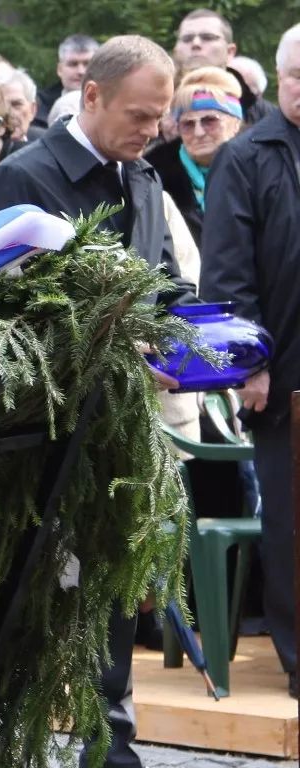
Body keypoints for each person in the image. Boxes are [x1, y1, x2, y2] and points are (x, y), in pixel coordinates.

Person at [0, 35, 204, 768]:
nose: (151, 131)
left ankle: (111, 751)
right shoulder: (23, 176)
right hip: (35, 429)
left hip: (115, 422)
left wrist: (187, 338)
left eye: (160, 118)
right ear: (93, 96)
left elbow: (161, 283)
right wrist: (104, 337)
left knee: (109, 581)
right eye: (140, 115)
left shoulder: (138, 176)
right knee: (19, 596)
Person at [200, 23, 300, 698]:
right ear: (276, 76)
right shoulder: (248, 156)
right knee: (293, 522)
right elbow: (228, 274)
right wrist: (250, 365)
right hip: (286, 375)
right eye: (298, 79)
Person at [147, 68, 243, 246]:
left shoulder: (258, 171)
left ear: (235, 123)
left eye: (210, 121)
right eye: (188, 124)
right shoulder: (153, 176)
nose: (198, 132)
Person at [35, 34, 98, 129]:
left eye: (87, 64)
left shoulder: (113, 103)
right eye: (73, 64)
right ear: (59, 69)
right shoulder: (38, 106)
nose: (81, 71)